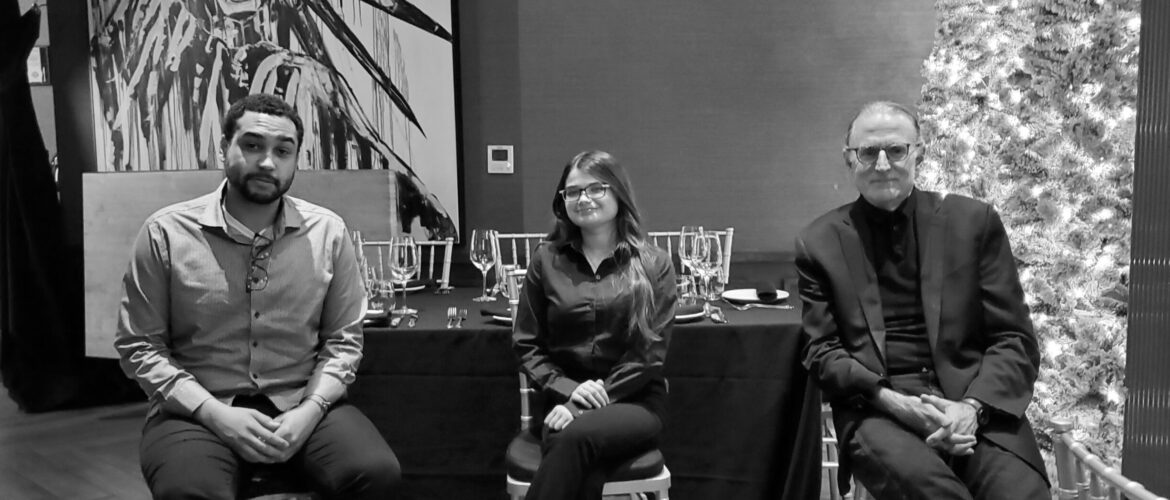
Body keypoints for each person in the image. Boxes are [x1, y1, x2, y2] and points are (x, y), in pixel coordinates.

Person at [114, 93, 400, 499]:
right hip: (197, 407)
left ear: (297, 160)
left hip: (302, 401)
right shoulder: (165, 233)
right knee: (190, 491)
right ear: (223, 148)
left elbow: (343, 341)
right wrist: (213, 413)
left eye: (283, 151)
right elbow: (140, 345)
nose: (267, 162)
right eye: (252, 145)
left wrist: (310, 410)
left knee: (375, 472)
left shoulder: (328, 233)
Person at [796, 101, 1049, 499]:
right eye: (868, 152)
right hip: (878, 408)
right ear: (849, 160)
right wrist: (899, 404)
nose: (882, 164)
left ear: (919, 154)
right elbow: (822, 352)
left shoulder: (974, 223)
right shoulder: (819, 242)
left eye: (896, 150)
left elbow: (1014, 338)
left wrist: (970, 408)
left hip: (974, 399)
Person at [512, 150, 678, 499]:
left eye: (595, 188)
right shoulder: (546, 260)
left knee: (572, 435)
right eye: (572, 191)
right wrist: (568, 390)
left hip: (635, 401)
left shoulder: (655, 264)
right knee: (576, 445)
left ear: (619, 192)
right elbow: (527, 344)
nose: (583, 198)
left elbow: (649, 355)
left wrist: (580, 407)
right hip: (562, 396)